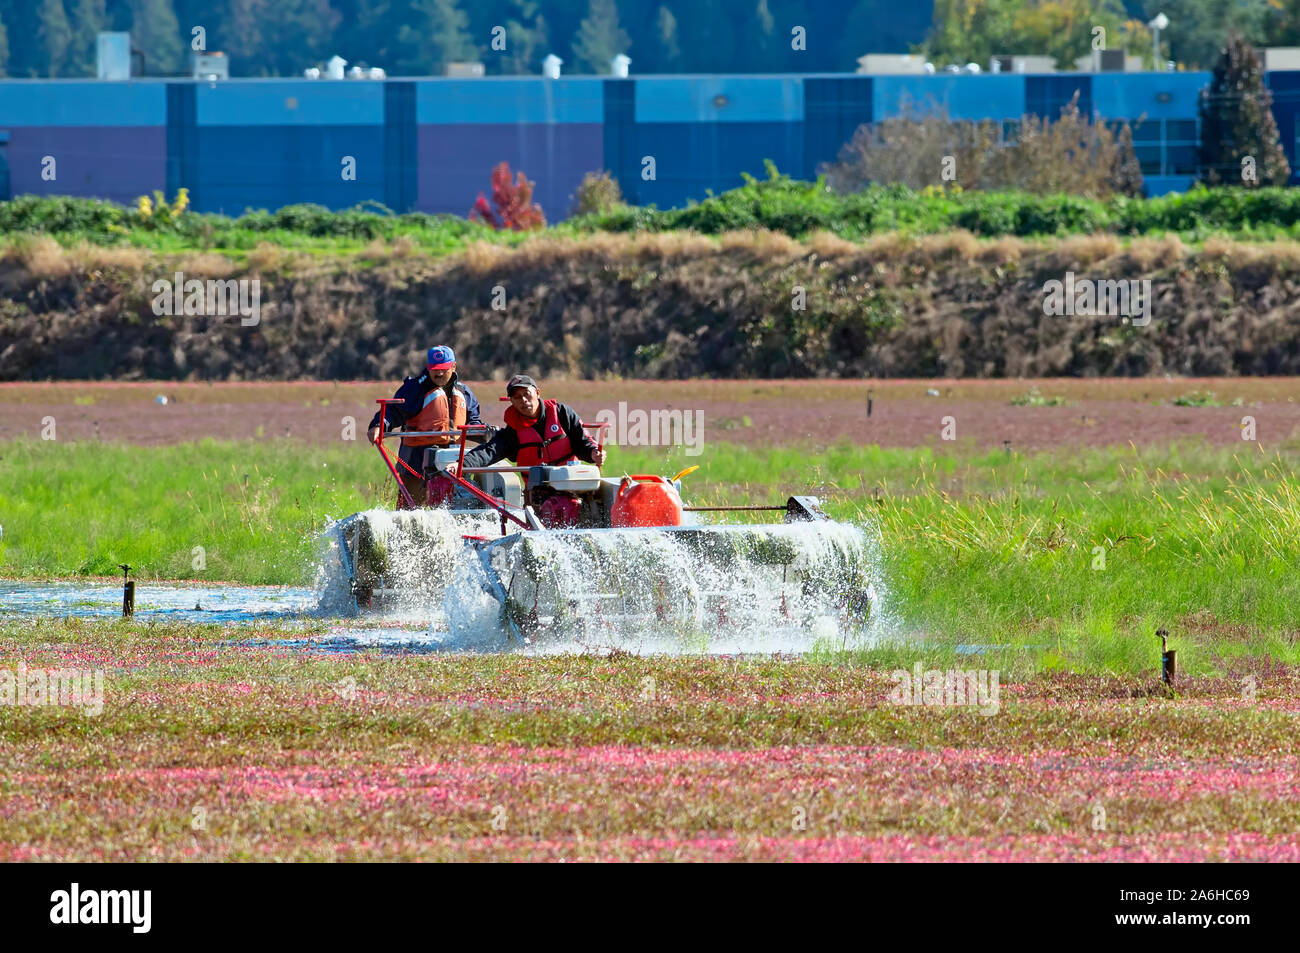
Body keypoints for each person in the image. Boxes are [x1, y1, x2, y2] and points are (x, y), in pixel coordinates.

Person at [367, 346, 489, 505]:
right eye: (434, 369)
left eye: (443, 369)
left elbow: (473, 422)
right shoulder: (414, 389)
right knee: (410, 510)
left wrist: (487, 434)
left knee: (455, 508)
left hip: (452, 458)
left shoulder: (464, 392)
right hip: (417, 459)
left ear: (454, 367)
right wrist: (378, 426)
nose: (438, 373)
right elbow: (393, 412)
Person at [447, 375, 606, 477]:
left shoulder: (562, 413)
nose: (523, 400)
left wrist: (594, 453)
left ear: (537, 393)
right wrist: (461, 464)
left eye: (526, 394)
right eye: (517, 397)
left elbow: (583, 441)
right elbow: (489, 451)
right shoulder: (513, 431)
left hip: (570, 480)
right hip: (538, 491)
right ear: (512, 402)